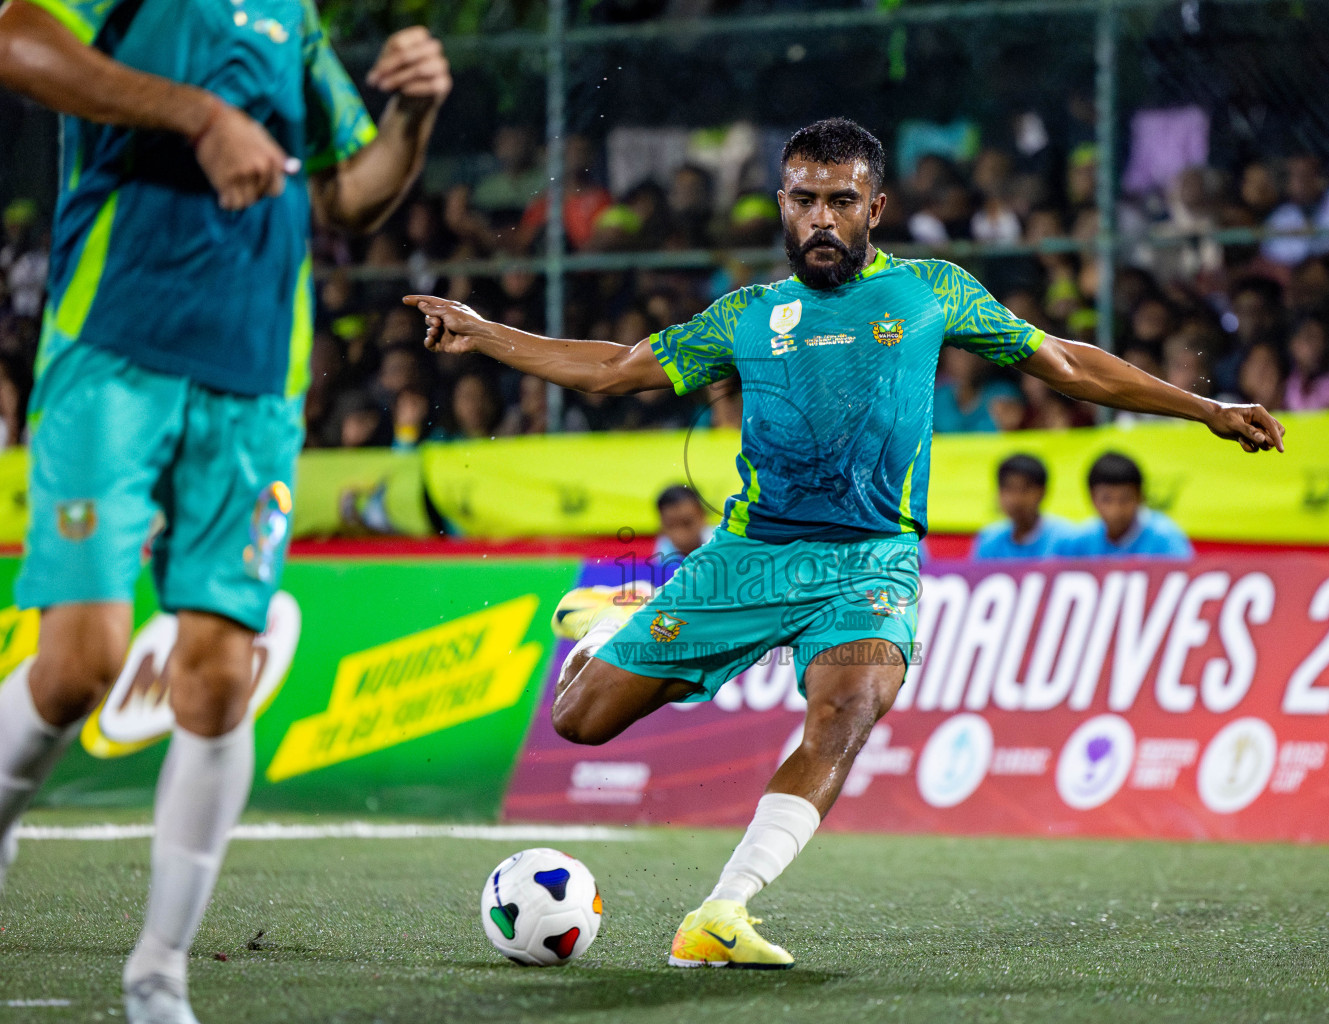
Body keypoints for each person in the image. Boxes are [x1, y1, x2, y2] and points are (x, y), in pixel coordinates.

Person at [405, 118, 1282, 970]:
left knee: (844, 713)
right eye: (803, 200)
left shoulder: (932, 292)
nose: (820, 219)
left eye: (840, 200)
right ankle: (612, 624)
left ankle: (721, 911)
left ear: (876, 208)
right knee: (579, 720)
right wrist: (484, 330)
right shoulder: (749, 314)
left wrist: (1205, 408)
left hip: (871, 559)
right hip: (751, 556)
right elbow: (613, 370)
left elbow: (1064, 362)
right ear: (781, 205)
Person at [0, 4, 450, 1022]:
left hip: (255, 385)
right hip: (112, 350)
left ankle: (159, 971)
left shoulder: (294, 19)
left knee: (217, 679)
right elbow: (18, 42)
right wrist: (202, 116)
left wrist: (412, 120)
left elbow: (349, 194)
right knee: (78, 665)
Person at [1055, 452, 1194, 560]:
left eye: (1125, 499)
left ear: (1140, 497)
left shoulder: (1165, 537)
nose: (1116, 510)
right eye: (1106, 500)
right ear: (1092, 498)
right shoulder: (1082, 540)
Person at [970, 454, 1072, 560]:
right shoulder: (988, 538)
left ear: (1043, 492)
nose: (1016, 499)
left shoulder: (1066, 537)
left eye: (1025, 489)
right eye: (1009, 489)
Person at [654, 484, 716, 560]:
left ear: (703, 517)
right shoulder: (663, 551)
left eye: (687, 523)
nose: (680, 535)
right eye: (670, 525)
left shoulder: (723, 545)